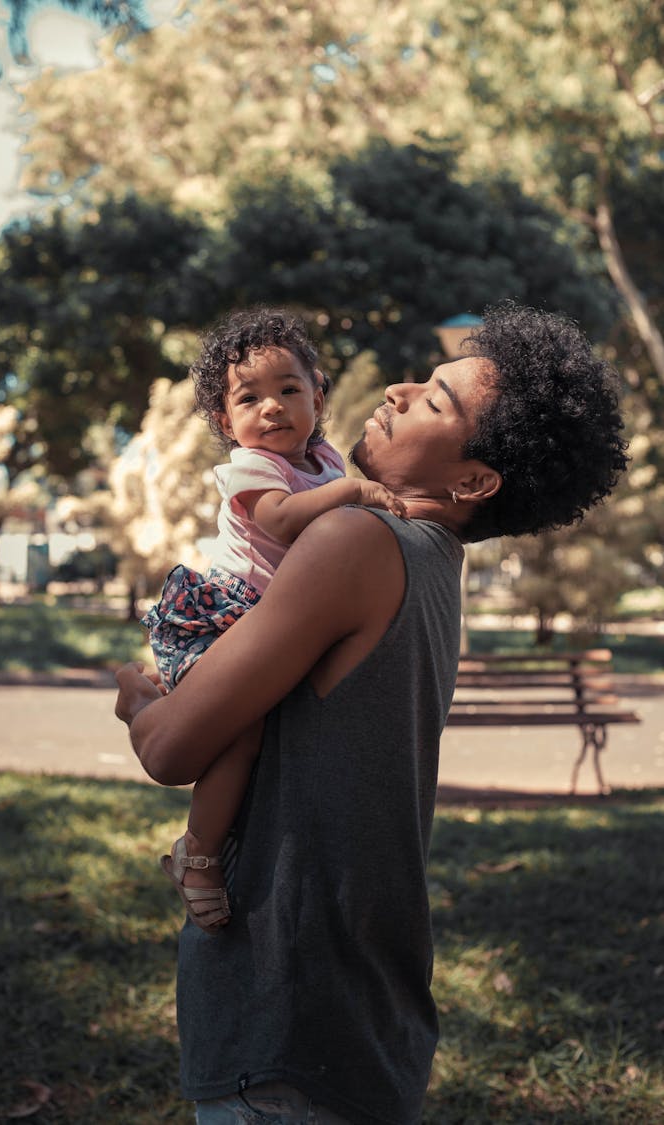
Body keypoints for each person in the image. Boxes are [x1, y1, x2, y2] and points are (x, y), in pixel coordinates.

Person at [116, 303, 629, 1125]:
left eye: (433, 400)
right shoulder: (431, 561)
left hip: (283, 1003)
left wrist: (140, 699)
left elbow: (174, 748)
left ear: (471, 481)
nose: (396, 389)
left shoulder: (353, 540)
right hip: (367, 999)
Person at [141, 307, 406, 935]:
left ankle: (141, 699)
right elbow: (283, 522)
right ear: (223, 420)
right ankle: (198, 854)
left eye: (289, 390)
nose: (272, 408)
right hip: (226, 619)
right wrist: (356, 494)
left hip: (277, 620)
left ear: (318, 393)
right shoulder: (253, 468)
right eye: (249, 398)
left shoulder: (328, 460)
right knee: (241, 737)